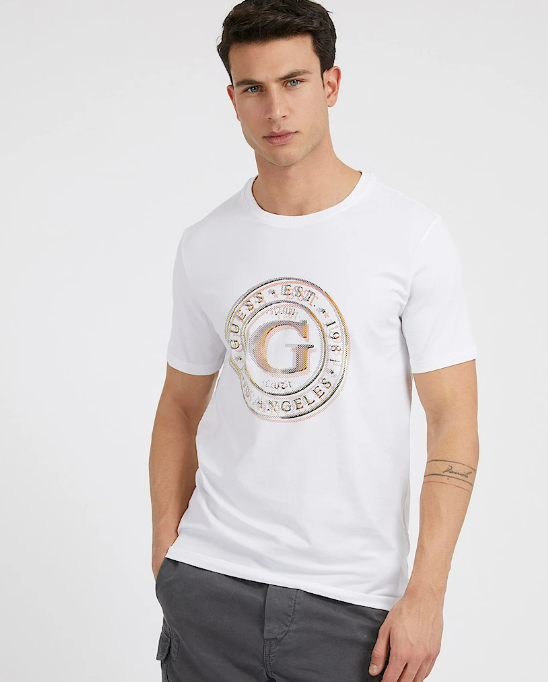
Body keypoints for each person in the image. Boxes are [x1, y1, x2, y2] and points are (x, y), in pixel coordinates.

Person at [148, 1, 479, 681]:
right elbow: (179, 404)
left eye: (294, 82)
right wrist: (166, 555)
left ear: (330, 84)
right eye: (253, 88)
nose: (276, 110)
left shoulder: (410, 236)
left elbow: (454, 421)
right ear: (233, 100)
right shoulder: (206, 243)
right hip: (210, 588)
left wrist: (427, 593)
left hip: (352, 607)